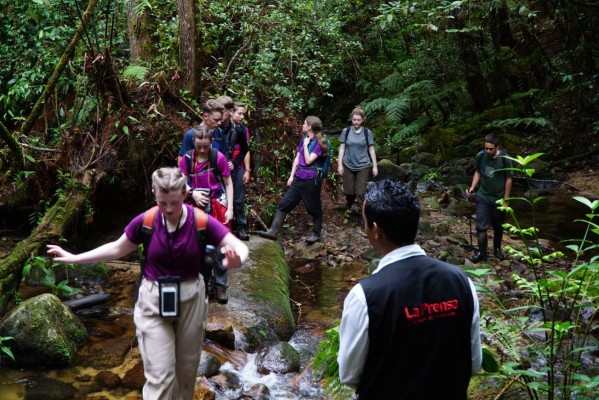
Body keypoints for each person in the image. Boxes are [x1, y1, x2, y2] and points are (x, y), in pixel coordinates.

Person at [47, 167, 249, 400]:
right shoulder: (147, 221)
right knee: (160, 376)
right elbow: (117, 248)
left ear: (185, 194)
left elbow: (239, 247)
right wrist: (75, 258)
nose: (169, 209)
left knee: (185, 376)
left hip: (192, 301)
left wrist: (234, 260)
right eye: (163, 202)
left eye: (174, 202)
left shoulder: (201, 221)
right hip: (153, 301)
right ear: (154, 193)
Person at [338, 179, 482, 400]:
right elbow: (473, 363)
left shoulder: (364, 296)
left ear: (376, 230)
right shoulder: (461, 282)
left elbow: (349, 375)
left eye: (364, 221)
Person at [179, 125, 234, 304]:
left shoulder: (218, 157)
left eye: (205, 146)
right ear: (194, 142)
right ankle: (204, 283)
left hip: (217, 204)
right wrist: (191, 192)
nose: (202, 149)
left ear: (211, 142)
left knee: (219, 248)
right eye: (199, 145)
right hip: (194, 206)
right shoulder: (187, 158)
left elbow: (228, 183)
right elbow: (180, 181)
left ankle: (221, 286)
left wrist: (231, 208)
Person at [258, 116, 327, 244]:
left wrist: (306, 146)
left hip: (311, 180)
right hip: (298, 178)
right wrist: (291, 176)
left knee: (314, 208)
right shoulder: (303, 139)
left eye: (304, 123)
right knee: (284, 204)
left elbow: (308, 160)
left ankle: (316, 233)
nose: (302, 125)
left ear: (310, 126)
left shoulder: (318, 143)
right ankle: (273, 231)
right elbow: (297, 158)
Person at [466, 133, 513, 262]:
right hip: (483, 196)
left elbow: (509, 179)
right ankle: (482, 253)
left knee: (498, 226)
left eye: (490, 149)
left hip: (498, 198)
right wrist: (472, 187)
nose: (487, 151)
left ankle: (497, 249)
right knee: (481, 226)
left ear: (497, 147)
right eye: (486, 148)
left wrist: (506, 199)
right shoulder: (481, 156)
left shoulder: (505, 158)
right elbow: (478, 172)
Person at [337, 107, 378, 214]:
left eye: (358, 120)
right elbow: (342, 148)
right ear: (352, 119)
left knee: (360, 192)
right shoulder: (346, 131)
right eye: (354, 120)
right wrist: (339, 164)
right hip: (348, 164)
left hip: (363, 165)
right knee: (348, 191)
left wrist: (375, 166)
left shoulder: (367, 132)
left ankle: (363, 214)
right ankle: (349, 203)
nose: (356, 122)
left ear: (363, 120)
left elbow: (371, 149)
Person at [228, 101, 252, 241]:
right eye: (240, 113)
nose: (242, 116)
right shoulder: (224, 128)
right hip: (224, 166)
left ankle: (241, 227)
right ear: (231, 112)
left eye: (243, 113)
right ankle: (227, 228)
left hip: (239, 167)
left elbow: (246, 150)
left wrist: (247, 170)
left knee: (239, 199)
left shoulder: (243, 129)